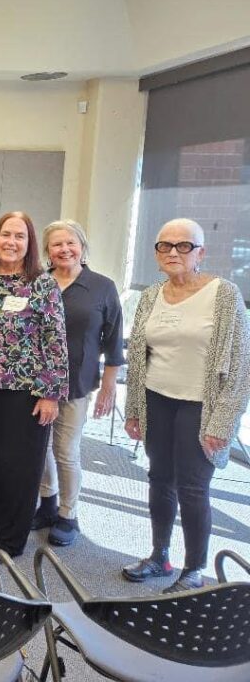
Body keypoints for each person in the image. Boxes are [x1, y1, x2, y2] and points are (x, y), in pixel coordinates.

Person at [122, 218, 250, 593]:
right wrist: (134, 409)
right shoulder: (151, 295)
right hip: (157, 399)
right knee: (159, 478)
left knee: (193, 488)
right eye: (165, 245)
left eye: (184, 246)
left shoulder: (224, 294)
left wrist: (222, 423)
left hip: (201, 407)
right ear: (156, 252)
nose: (174, 252)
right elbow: (139, 358)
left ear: (200, 253)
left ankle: (193, 569)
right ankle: (160, 556)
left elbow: (241, 369)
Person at [0, 211, 68, 564]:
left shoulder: (42, 284)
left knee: (19, 466)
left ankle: (10, 541)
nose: (11, 242)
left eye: (19, 236)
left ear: (29, 245)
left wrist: (51, 393)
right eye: (5, 235)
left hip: (26, 391)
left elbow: (56, 340)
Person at [33, 220, 123, 547]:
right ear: (47, 251)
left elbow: (113, 343)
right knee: (40, 449)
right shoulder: (38, 284)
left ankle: (68, 515)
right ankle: (47, 504)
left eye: (70, 243)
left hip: (77, 384)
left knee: (65, 451)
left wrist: (109, 388)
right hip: (35, 384)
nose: (64, 249)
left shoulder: (102, 287)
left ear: (82, 247)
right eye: (57, 245)